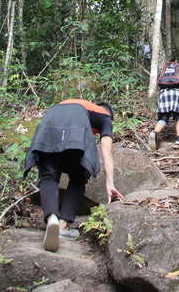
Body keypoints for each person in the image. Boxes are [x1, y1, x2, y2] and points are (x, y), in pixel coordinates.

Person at [23, 99, 123, 252]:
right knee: (78, 177)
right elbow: (107, 152)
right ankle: (63, 225)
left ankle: (52, 220)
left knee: (48, 177)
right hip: (75, 129)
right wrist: (110, 184)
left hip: (49, 122)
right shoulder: (105, 117)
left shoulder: (75, 105)